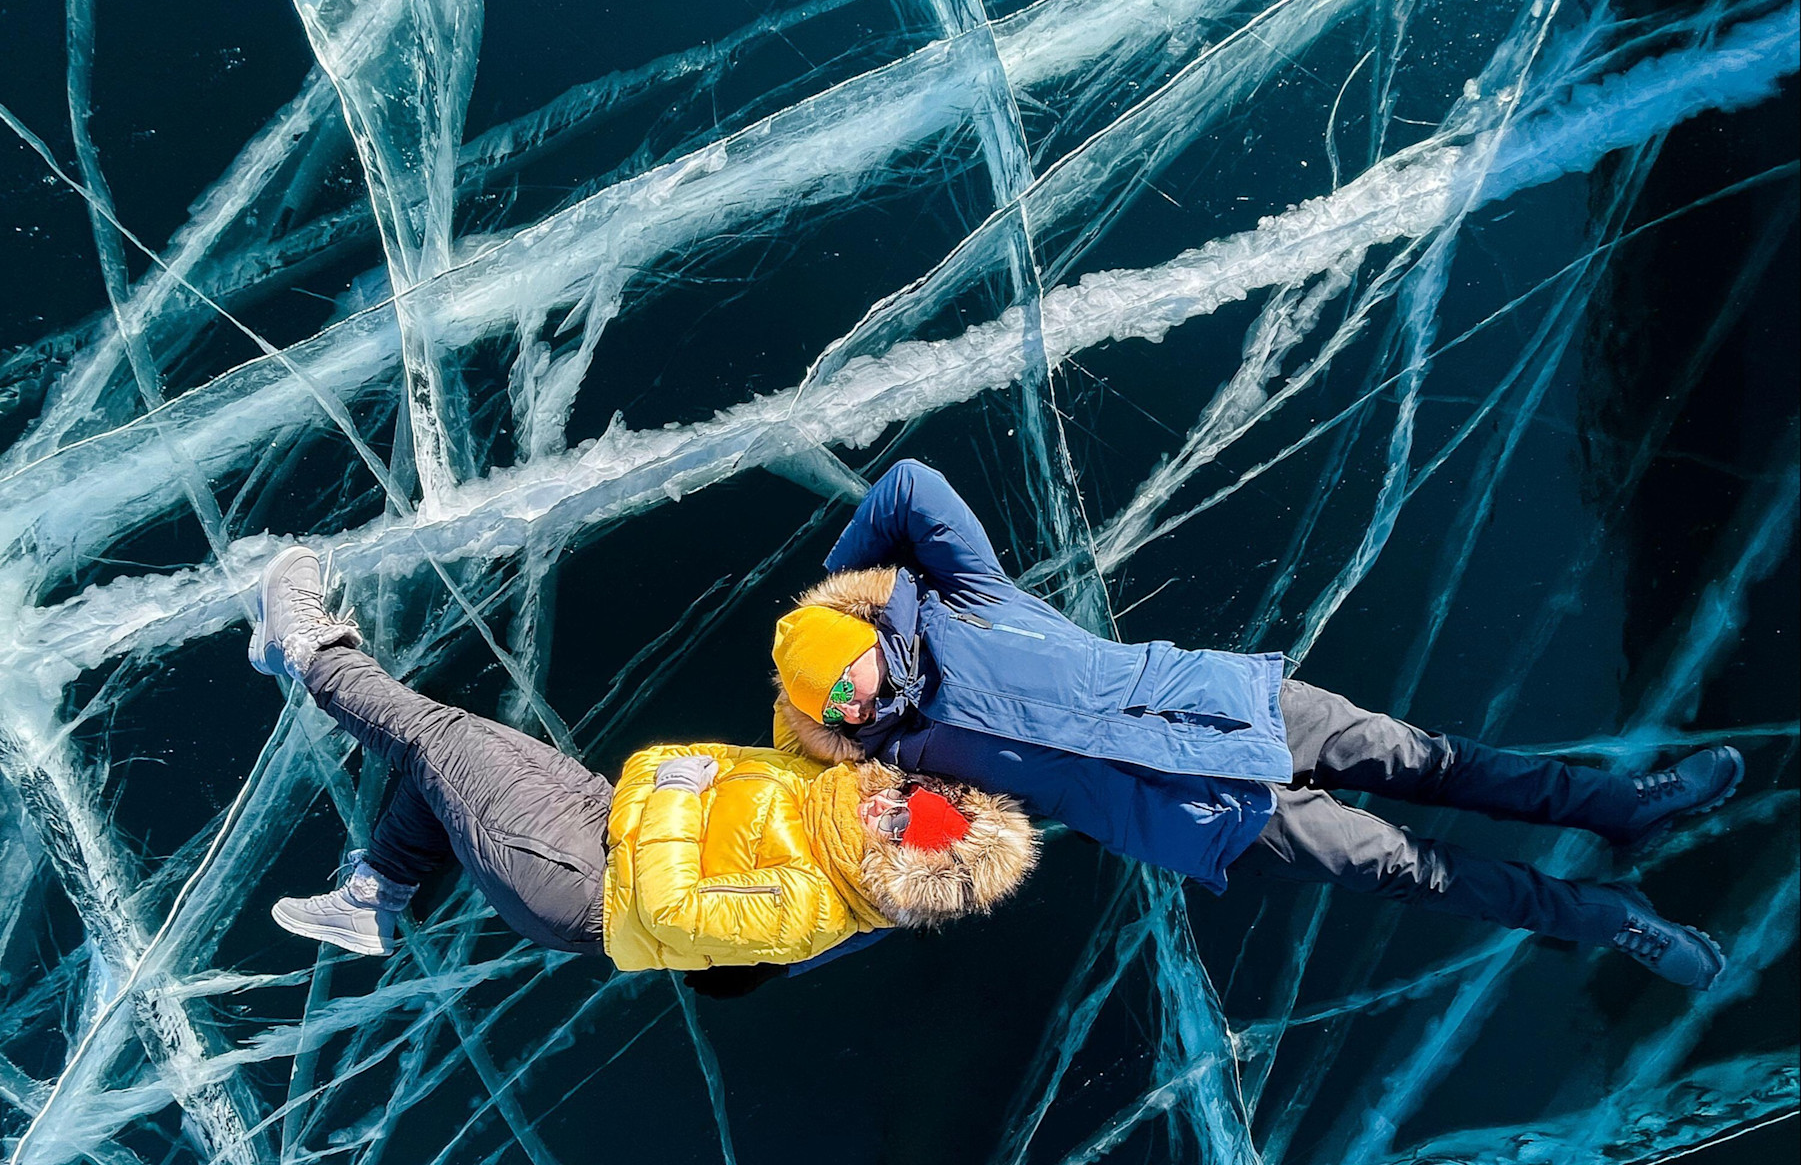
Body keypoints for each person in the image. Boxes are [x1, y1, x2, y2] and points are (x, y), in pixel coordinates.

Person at [768, 460, 1745, 989]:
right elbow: (896, 879)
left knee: (1440, 763)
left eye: (844, 679)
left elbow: (907, 486)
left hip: (1245, 709)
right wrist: (802, 945)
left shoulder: (960, 600)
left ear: (857, 628)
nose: (852, 704)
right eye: (834, 711)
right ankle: (1614, 919)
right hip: (1213, 813)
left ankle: (1622, 808)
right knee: (1409, 869)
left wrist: (837, 579)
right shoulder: (904, 762)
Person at [251, 546, 1037, 974]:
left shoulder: (812, 910)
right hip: (602, 813)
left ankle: (305, 647)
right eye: (902, 802)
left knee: (434, 741)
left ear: (899, 862)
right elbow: (795, 725)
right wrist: (838, 630)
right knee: (453, 757)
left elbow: (672, 911)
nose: (882, 811)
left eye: (896, 828)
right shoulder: (835, 792)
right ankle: (374, 896)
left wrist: (673, 794)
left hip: (584, 884)